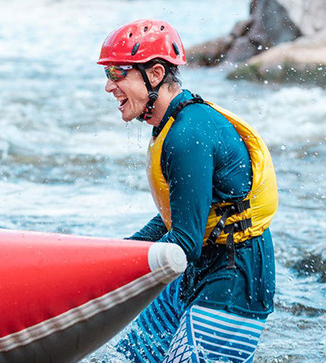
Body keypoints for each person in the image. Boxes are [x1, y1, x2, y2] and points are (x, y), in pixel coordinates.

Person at [98, 19, 278, 362]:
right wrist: (113, 255)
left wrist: (119, 273)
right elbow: (177, 217)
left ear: (154, 74)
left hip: (235, 281)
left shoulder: (187, 134)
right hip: (202, 269)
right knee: (128, 358)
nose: (109, 87)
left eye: (117, 73)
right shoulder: (172, 124)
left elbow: (184, 242)